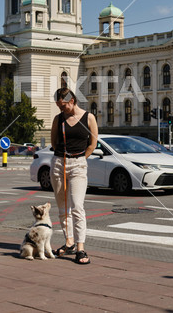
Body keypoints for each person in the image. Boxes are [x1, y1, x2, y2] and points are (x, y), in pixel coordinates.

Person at [50, 87, 98, 264]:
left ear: (72, 101)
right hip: (59, 164)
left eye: (63, 106)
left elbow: (92, 144)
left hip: (78, 164)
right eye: (58, 106)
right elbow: (54, 142)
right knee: (63, 208)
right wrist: (64, 158)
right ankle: (68, 241)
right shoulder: (58, 119)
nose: (61, 110)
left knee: (77, 206)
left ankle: (80, 248)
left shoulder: (89, 118)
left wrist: (79, 158)